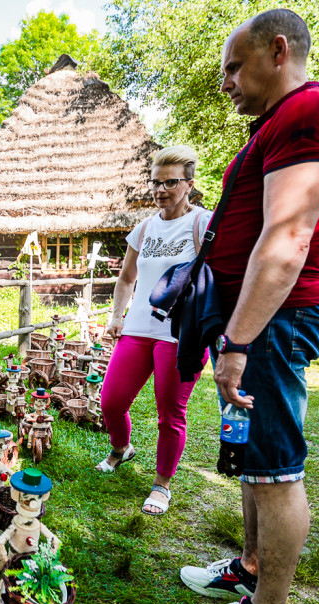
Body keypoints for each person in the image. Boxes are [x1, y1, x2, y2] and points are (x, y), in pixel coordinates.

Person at [179, 9, 319, 604]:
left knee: (277, 468)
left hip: (272, 320)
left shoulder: (310, 114)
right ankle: (251, 566)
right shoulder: (281, 123)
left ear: (277, 50)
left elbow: (286, 240)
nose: (225, 83)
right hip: (251, 318)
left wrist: (236, 343)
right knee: (252, 458)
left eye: (234, 67)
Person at [99, 145, 212, 516]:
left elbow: (220, 279)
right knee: (112, 400)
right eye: (156, 182)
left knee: (169, 414)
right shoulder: (144, 227)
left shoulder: (204, 223)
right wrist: (117, 315)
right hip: (138, 328)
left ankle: (162, 484)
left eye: (170, 182)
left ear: (189, 184)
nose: (161, 189)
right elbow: (127, 278)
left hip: (181, 333)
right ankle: (121, 449)